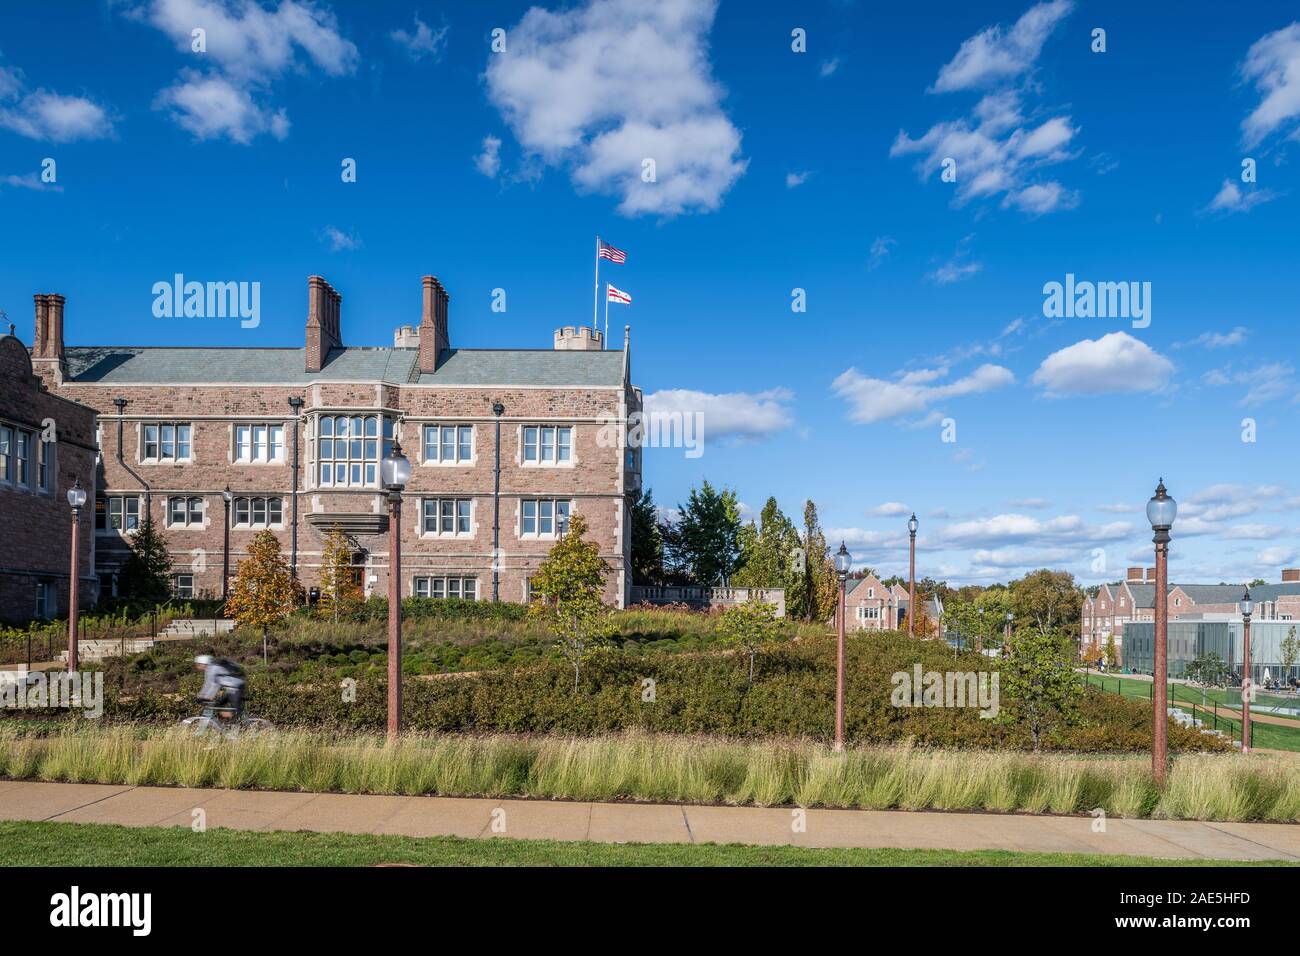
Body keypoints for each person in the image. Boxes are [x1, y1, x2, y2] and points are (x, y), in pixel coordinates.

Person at [194, 655, 246, 722]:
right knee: (218, 706)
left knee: (236, 713)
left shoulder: (213, 668)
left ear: (202, 663)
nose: (197, 667)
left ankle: (239, 726)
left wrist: (205, 697)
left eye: (198, 665)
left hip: (236, 689)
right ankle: (228, 725)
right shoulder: (211, 668)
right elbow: (210, 685)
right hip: (232, 689)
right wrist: (202, 696)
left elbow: (212, 685)